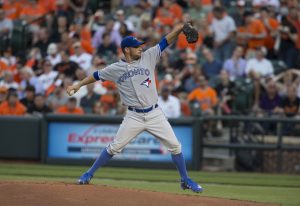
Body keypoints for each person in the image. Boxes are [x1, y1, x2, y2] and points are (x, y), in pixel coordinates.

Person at [67, 24, 203, 193]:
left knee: (175, 147)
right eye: (136, 46)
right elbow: (95, 76)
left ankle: (185, 179)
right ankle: (88, 174)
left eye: (140, 46)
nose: (140, 48)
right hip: (134, 116)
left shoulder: (149, 56)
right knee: (114, 147)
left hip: (154, 113)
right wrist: (78, 85)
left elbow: (165, 40)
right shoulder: (115, 69)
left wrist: (181, 28)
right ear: (126, 50)